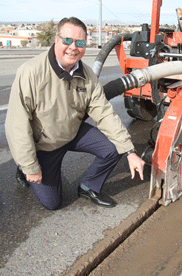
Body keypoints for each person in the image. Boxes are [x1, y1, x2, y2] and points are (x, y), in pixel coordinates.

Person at [5, 17, 145, 210]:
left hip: (71, 131)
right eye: (67, 40)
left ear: (85, 46)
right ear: (56, 39)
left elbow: (104, 114)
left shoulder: (87, 76)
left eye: (80, 43)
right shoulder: (30, 72)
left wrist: (130, 151)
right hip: (46, 144)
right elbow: (16, 124)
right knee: (52, 203)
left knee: (114, 148)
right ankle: (22, 167)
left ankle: (89, 187)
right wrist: (29, 166)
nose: (73, 47)